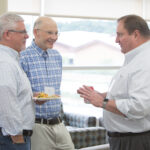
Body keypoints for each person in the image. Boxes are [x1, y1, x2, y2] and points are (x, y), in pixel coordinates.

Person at [77, 14, 150, 150]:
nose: (116, 40)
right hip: (125, 140)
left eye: (120, 35)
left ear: (135, 34)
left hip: (134, 142)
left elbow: (139, 106)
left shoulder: (145, 61)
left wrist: (102, 102)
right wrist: (101, 95)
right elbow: (127, 91)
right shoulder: (135, 58)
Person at [20, 16, 74, 150]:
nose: (54, 37)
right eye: (49, 32)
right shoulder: (23, 57)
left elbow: (53, 90)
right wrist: (32, 96)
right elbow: (17, 93)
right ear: (36, 32)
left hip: (59, 123)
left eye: (56, 33)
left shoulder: (57, 56)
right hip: (37, 127)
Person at [0, 13, 35, 150]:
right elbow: (6, 100)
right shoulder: (5, 63)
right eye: (23, 32)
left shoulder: (11, 59)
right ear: (7, 34)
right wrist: (16, 134)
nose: (27, 36)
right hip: (12, 139)